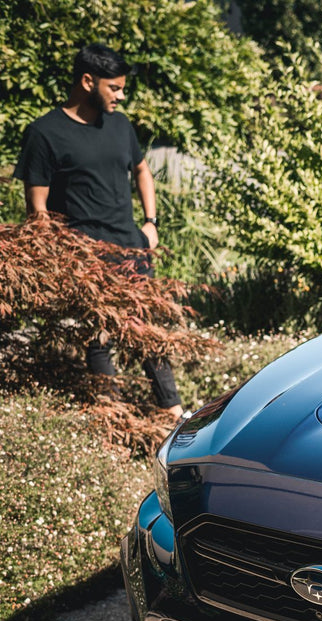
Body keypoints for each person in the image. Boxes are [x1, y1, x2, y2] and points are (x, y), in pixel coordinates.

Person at [16, 42, 183, 419]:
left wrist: (150, 224)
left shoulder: (120, 126)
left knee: (147, 331)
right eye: (115, 87)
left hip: (132, 248)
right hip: (86, 258)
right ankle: (114, 420)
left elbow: (141, 170)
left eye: (123, 88)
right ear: (87, 81)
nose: (122, 96)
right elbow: (37, 211)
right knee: (99, 340)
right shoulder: (44, 134)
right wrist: (58, 261)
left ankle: (173, 414)